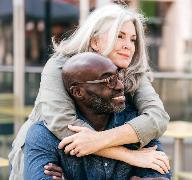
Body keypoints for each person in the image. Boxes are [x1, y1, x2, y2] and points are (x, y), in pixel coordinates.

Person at [9, 3, 170, 179]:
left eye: (132, 39)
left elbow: (157, 117)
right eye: (120, 36)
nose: (128, 46)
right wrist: (129, 155)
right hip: (52, 153)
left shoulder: (132, 71)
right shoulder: (60, 65)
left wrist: (100, 139)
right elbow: (63, 125)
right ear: (95, 41)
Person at [24, 52, 170, 179]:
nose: (120, 86)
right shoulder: (43, 136)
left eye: (118, 76)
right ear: (78, 92)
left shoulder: (136, 125)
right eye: (108, 81)